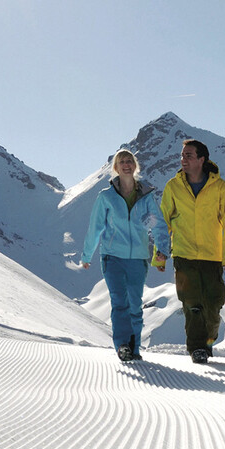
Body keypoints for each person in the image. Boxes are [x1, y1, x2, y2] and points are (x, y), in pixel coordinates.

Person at [80, 148, 170, 361]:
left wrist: (163, 251)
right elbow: (96, 227)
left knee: (134, 304)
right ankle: (123, 345)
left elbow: (157, 226)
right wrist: (86, 255)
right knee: (119, 301)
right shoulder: (106, 197)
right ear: (116, 168)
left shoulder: (146, 197)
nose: (126, 164)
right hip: (112, 257)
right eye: (122, 162)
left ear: (135, 165)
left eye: (130, 161)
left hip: (138, 258)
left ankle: (134, 347)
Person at [160, 139, 225, 364]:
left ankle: (209, 341)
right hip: (183, 255)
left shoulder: (219, 187)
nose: (183, 159)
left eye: (189, 156)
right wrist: (160, 253)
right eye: (183, 155)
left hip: (212, 256)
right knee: (191, 303)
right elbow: (164, 221)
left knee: (213, 305)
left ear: (202, 160)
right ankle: (197, 349)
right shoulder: (173, 186)